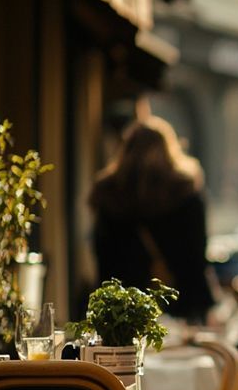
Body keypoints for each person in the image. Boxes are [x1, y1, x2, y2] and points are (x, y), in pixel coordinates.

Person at [90, 115, 217, 324]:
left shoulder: (109, 193)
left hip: (124, 312)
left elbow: (104, 261)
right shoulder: (186, 191)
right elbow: (197, 257)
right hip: (185, 304)